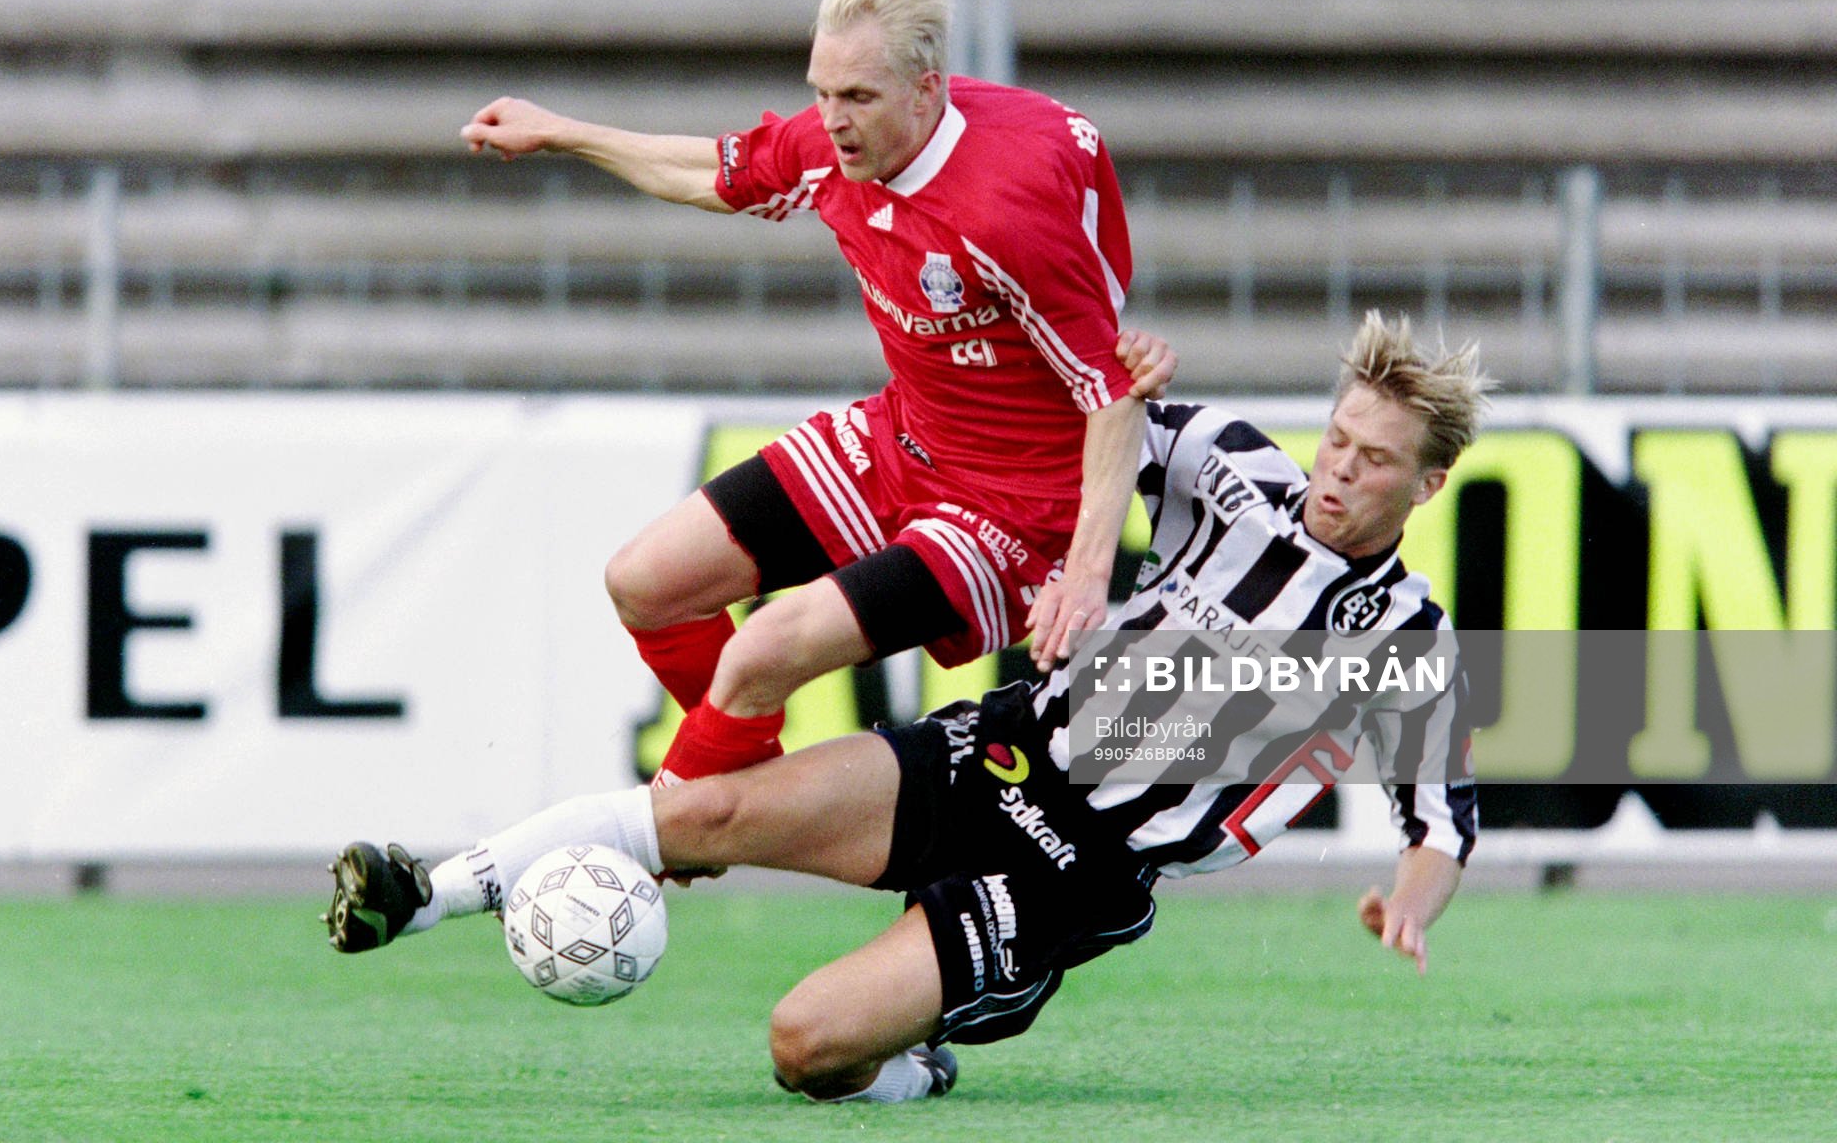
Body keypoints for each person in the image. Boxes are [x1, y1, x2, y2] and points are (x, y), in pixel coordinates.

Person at [327, 312, 1489, 1104]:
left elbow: (1441, 821)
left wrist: (1414, 908)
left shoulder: (1408, 637)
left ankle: (914, 1069)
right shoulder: (1237, 469)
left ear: (1427, 484)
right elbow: (1094, 423)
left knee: (805, 1046)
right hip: (1001, 751)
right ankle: (423, 893)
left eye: (1375, 460)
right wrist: (1122, 379)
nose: (1339, 468)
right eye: (1337, 436)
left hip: (1073, 871)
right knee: (711, 810)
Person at [460, 0, 1158, 793]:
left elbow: (1113, 394)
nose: (832, 118)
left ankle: (659, 836)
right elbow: (711, 173)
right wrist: (563, 134)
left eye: (857, 96)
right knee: (644, 582)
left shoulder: (1007, 208)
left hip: (1011, 513)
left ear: (928, 87)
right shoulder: (836, 144)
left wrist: (1085, 577)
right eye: (820, 92)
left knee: (762, 649)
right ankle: (740, 795)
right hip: (904, 437)